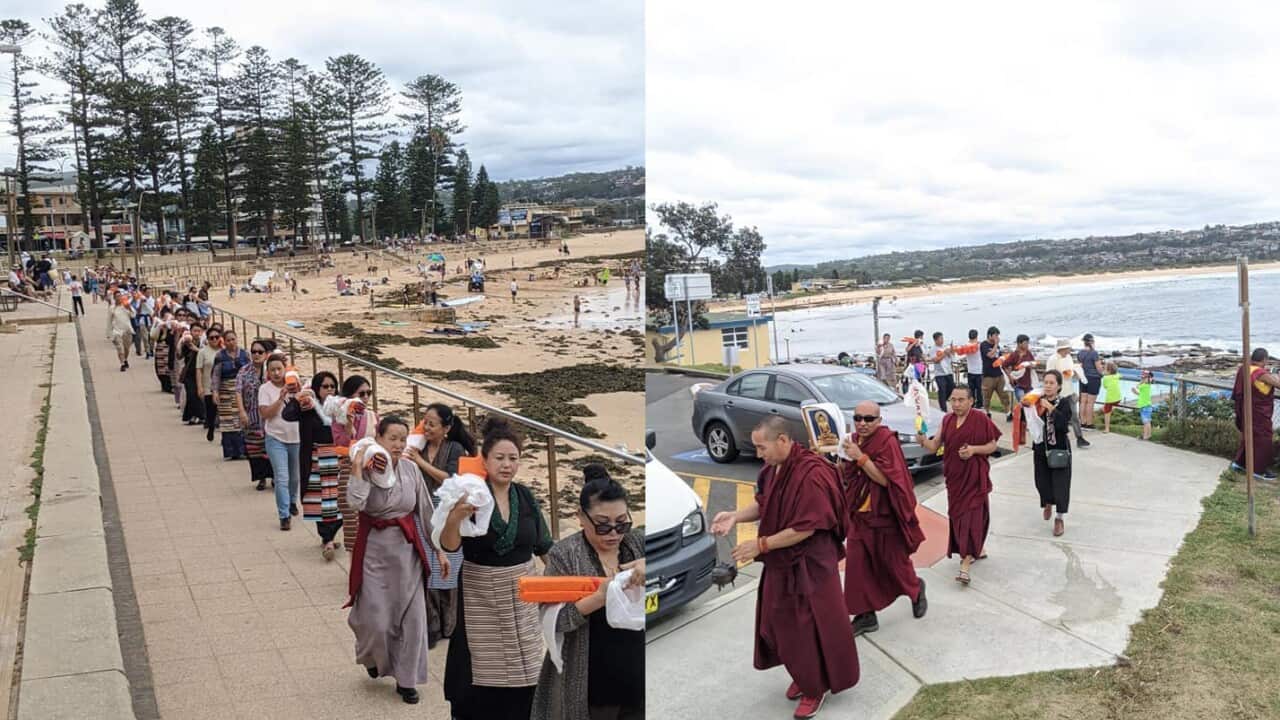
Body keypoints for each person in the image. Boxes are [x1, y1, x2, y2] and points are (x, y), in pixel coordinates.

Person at [710, 416, 859, 719]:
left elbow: (806, 527)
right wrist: (735, 516)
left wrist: (760, 545)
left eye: (762, 447)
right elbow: (764, 504)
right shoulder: (771, 470)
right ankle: (805, 674)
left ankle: (815, 688)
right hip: (782, 562)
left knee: (810, 626)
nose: (758, 453)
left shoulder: (813, 473)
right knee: (778, 624)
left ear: (782, 441)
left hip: (810, 565)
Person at [442, 417, 554, 720]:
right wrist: (454, 517)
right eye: (499, 458)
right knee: (478, 668)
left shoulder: (525, 496)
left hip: (522, 594)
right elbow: (450, 545)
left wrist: (566, 582)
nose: (506, 465)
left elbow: (544, 544)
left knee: (528, 665)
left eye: (513, 458)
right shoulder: (470, 494)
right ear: (485, 460)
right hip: (481, 595)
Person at [346, 415, 449, 705]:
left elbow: (426, 512)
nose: (398, 444)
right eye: (392, 438)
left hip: (407, 552)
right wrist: (357, 466)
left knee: (413, 621)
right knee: (376, 619)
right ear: (377, 438)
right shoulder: (368, 468)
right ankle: (371, 657)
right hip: (374, 551)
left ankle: (407, 681)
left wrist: (438, 549)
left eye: (403, 439)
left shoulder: (410, 470)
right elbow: (355, 503)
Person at [531, 465, 645, 720]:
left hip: (638, 673)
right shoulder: (565, 555)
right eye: (603, 526)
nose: (614, 533)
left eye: (622, 523)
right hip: (591, 679)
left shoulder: (638, 543)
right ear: (581, 517)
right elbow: (553, 621)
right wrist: (599, 597)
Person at [840, 401, 928, 638]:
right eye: (858, 418)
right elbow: (847, 475)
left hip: (884, 515)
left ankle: (916, 588)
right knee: (857, 567)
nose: (862, 423)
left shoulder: (886, 442)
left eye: (869, 419)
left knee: (893, 565)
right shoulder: (852, 440)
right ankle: (865, 615)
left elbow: (887, 480)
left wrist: (860, 458)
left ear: (879, 421)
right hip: (860, 514)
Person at [402, 402, 476, 646]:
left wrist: (420, 463)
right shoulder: (418, 446)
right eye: (425, 422)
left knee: (449, 568)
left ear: (447, 427)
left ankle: (449, 624)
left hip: (447, 512)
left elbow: (451, 480)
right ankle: (430, 625)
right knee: (427, 566)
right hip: (422, 511)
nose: (427, 427)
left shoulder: (454, 448)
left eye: (432, 423)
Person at [915, 386, 1000, 585]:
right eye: (953, 400)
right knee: (958, 516)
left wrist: (974, 450)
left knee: (972, 517)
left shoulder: (980, 419)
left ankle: (965, 563)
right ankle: (976, 548)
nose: (956, 404)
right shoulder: (947, 420)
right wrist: (922, 440)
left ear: (971, 401)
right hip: (955, 478)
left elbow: (992, 445)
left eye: (961, 400)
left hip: (974, 478)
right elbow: (935, 446)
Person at [293, 371, 343, 560]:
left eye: (332, 386)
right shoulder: (308, 406)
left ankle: (329, 536)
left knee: (339, 500)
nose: (329, 390)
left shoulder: (340, 406)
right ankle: (327, 538)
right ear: (317, 388)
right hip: (316, 456)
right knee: (320, 500)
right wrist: (298, 399)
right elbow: (289, 415)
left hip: (337, 455)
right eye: (325, 386)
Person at [332, 375, 378, 551]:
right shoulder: (339, 418)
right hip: (349, 471)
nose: (365, 397)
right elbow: (342, 443)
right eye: (361, 394)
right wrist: (349, 421)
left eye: (368, 393)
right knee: (352, 524)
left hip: (372, 472)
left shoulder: (373, 416)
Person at [258, 352, 302, 530]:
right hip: (275, 438)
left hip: (296, 438)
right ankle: (284, 515)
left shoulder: (296, 387)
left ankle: (292, 501)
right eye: (272, 370)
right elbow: (266, 414)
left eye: (279, 369)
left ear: (285, 370)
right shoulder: (265, 389)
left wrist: (298, 392)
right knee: (282, 478)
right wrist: (280, 398)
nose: (276, 373)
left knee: (295, 478)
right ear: (267, 372)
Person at [1032, 370, 1073, 537]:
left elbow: (1064, 426)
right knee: (1041, 481)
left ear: (1059, 386)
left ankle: (1059, 518)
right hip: (1041, 447)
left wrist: (1052, 410)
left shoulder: (1063, 403)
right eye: (1045, 382)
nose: (1047, 386)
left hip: (1059, 449)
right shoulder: (1036, 401)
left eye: (1051, 383)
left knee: (1061, 485)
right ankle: (1047, 501)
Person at [1231, 348, 1280, 481]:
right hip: (1258, 413)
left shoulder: (1244, 368)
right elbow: (1277, 384)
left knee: (1248, 437)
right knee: (1263, 439)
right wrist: (1275, 376)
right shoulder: (1259, 372)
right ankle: (1258, 470)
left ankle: (1240, 464)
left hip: (1245, 409)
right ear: (1264, 359)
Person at [236, 339, 277, 491]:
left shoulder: (272, 371)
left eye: (260, 352)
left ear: (266, 354)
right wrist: (241, 412)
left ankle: (274, 476)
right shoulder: (244, 371)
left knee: (271, 447)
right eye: (254, 352)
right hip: (251, 414)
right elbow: (238, 391)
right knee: (255, 448)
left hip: (270, 415)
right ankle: (260, 478)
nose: (257, 355)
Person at [1044, 338, 1090, 448]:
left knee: (1074, 415)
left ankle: (1079, 437)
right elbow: (1049, 375)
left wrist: (1074, 373)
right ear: (1061, 349)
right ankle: (1054, 438)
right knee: (1056, 417)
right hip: (1058, 393)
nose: (1069, 352)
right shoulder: (1053, 359)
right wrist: (1061, 375)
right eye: (1067, 349)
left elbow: (1071, 371)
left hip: (1069, 390)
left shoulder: (1069, 358)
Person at [214, 330, 250, 459]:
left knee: (241, 420)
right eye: (228, 340)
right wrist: (215, 391)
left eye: (233, 339)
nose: (231, 342)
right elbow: (216, 375)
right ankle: (231, 451)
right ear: (224, 341)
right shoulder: (220, 356)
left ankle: (244, 450)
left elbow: (251, 370)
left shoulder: (245, 354)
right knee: (228, 421)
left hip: (242, 389)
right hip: (226, 389)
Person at [980, 326, 1012, 421]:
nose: (997, 337)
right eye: (995, 335)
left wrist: (1008, 375)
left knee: (1004, 395)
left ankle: (1008, 414)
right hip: (988, 376)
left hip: (999, 375)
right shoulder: (984, 345)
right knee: (987, 397)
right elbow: (990, 355)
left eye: (998, 336)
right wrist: (996, 344)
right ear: (989, 335)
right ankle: (987, 413)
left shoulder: (997, 346)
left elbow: (1000, 360)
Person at [196, 327, 223, 443]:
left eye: (217, 337)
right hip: (208, 385)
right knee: (211, 410)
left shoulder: (223, 351)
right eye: (212, 338)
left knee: (224, 412)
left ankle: (225, 435)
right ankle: (211, 427)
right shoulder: (202, 352)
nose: (214, 340)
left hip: (222, 385)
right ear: (207, 339)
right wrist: (200, 386)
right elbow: (199, 370)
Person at [1078, 333, 1104, 429]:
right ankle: (1089, 424)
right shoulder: (1094, 353)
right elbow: (1098, 368)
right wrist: (1102, 374)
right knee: (1090, 402)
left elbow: (1080, 366)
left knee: (1083, 401)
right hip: (1093, 379)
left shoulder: (1080, 353)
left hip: (1083, 378)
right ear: (1091, 342)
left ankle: (1082, 423)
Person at [109, 293, 136, 372]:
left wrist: (129, 308)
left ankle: (125, 359)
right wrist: (109, 333)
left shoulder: (126, 306)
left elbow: (133, 315)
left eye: (120, 296)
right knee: (120, 348)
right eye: (117, 297)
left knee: (126, 348)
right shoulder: (112, 308)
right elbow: (109, 321)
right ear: (114, 298)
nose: (119, 298)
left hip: (127, 330)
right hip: (117, 331)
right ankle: (122, 363)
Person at [930, 332, 955, 412]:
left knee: (952, 389)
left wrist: (951, 351)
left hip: (948, 372)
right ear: (935, 340)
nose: (942, 340)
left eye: (942, 338)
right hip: (939, 374)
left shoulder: (945, 347)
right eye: (940, 339)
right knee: (942, 389)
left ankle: (943, 400)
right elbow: (935, 360)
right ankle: (943, 409)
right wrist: (944, 353)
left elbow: (952, 358)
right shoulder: (933, 349)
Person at [964, 328, 984, 410]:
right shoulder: (979, 345)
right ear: (976, 336)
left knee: (971, 389)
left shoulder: (966, 346)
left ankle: (971, 403)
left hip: (970, 370)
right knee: (979, 389)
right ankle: (979, 404)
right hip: (979, 370)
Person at [1100, 361, 1122, 433]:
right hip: (1118, 398)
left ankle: (1107, 428)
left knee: (1107, 413)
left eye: (1105, 369)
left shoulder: (1106, 378)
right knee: (1107, 407)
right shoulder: (1117, 376)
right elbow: (1120, 375)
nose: (1104, 371)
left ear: (1108, 371)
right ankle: (1109, 408)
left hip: (1109, 399)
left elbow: (1105, 386)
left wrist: (1104, 375)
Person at [1133, 370, 1154, 440]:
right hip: (1147, 405)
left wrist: (1140, 382)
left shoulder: (1144, 385)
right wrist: (1135, 392)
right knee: (1148, 422)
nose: (1142, 379)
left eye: (1144, 378)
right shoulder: (1147, 386)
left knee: (1145, 422)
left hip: (1144, 406)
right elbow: (1141, 394)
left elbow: (1137, 386)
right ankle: (1148, 435)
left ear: (1148, 379)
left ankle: (1145, 436)